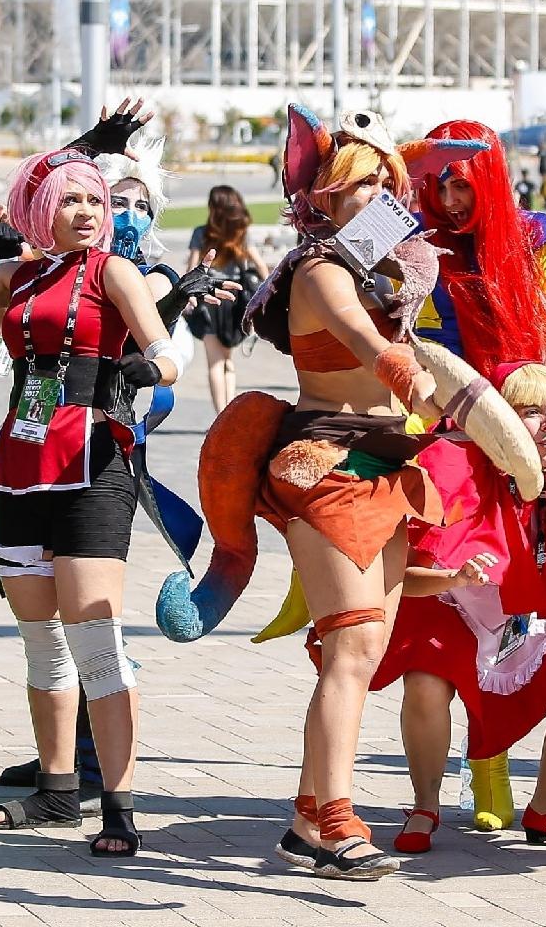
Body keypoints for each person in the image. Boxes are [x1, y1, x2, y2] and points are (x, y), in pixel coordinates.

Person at [159, 106, 484, 880]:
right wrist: (434, 392)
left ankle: (310, 814)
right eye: (357, 184)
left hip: (391, 466)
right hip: (325, 463)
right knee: (356, 646)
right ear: (327, 198)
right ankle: (335, 820)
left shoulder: (393, 267)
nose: (375, 194)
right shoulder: (320, 269)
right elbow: (373, 347)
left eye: (384, 181)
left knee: (360, 653)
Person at [0, 146, 181, 855]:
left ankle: (120, 806)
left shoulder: (115, 271)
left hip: (95, 460)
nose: (89, 212)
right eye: (71, 200)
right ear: (41, 210)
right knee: (42, 642)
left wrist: (151, 365)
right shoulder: (17, 275)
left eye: (96, 199)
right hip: (23, 461)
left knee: (96, 640)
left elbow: (166, 347)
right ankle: (59, 793)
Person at [378, 363, 546, 855]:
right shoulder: (451, 464)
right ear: (497, 420)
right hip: (452, 606)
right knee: (425, 680)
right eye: (530, 413)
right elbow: (398, 579)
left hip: (530, 615)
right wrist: (456, 577)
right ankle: (424, 805)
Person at [409, 117, 546, 830]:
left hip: (529, 447)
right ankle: (475, 779)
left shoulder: (542, 244)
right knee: (453, 608)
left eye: (463, 182)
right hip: (450, 451)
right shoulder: (414, 252)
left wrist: (526, 438)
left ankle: (496, 769)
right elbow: (406, 352)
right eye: (438, 183)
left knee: (517, 608)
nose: (451, 198)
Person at [188, 184, 270, 412]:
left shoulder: (201, 233)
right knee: (227, 360)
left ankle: (220, 414)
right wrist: (267, 295)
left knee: (215, 362)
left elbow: (192, 269)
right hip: (234, 302)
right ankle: (228, 412)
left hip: (209, 300)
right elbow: (261, 267)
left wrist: (188, 298)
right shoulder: (240, 235)